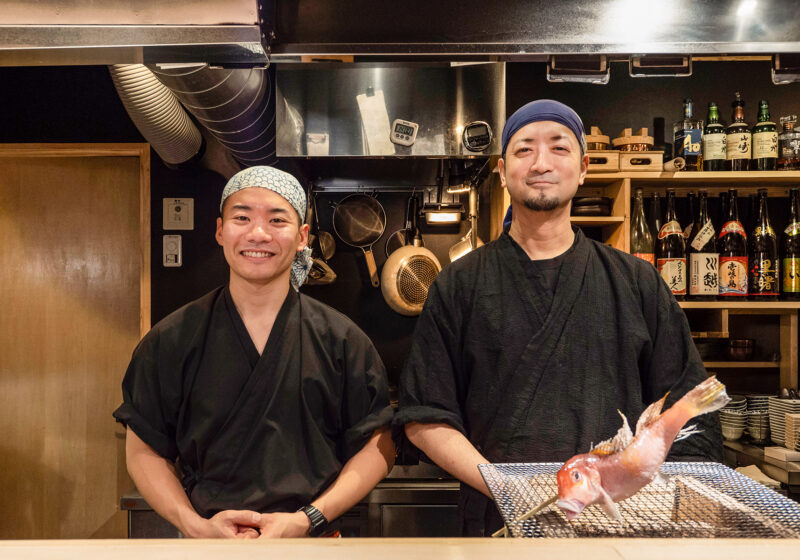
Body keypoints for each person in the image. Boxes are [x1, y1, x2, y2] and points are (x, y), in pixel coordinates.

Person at [395, 99, 722, 537]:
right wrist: (510, 490)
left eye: (558, 148)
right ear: (502, 169)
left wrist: (656, 499)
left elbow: (690, 413)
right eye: (524, 149)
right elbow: (425, 416)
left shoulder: (636, 281)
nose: (541, 162)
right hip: (502, 522)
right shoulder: (459, 284)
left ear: (584, 168)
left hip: (617, 524)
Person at [114, 166, 394, 538]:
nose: (258, 233)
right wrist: (195, 526)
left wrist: (306, 518)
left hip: (313, 542)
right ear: (219, 230)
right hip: (208, 546)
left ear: (302, 237)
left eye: (277, 220)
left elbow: (380, 446)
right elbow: (144, 448)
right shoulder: (172, 339)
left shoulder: (343, 341)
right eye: (242, 217)